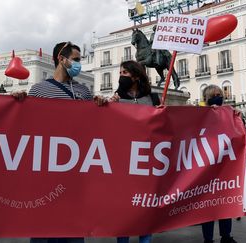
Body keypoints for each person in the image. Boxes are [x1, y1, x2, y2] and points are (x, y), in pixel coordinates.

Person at [12, 41, 108, 243]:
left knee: (72, 228)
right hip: (47, 173)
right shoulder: (38, 90)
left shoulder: (84, 92)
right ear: (61, 59)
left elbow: (94, 127)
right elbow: (27, 126)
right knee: (43, 228)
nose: (79, 64)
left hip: (75, 173)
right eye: (76, 60)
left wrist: (102, 105)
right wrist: (16, 105)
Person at [112, 60, 160, 243]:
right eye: (120, 72)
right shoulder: (116, 99)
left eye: (125, 72)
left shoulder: (153, 99)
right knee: (123, 207)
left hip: (147, 162)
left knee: (146, 206)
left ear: (136, 76)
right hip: (123, 163)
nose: (121, 75)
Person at [200, 84, 237, 243]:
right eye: (214, 95)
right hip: (204, 170)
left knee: (225, 204)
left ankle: (226, 236)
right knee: (206, 207)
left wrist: (237, 116)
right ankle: (208, 239)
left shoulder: (228, 113)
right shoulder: (200, 114)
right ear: (207, 99)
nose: (218, 97)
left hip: (223, 169)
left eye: (220, 94)